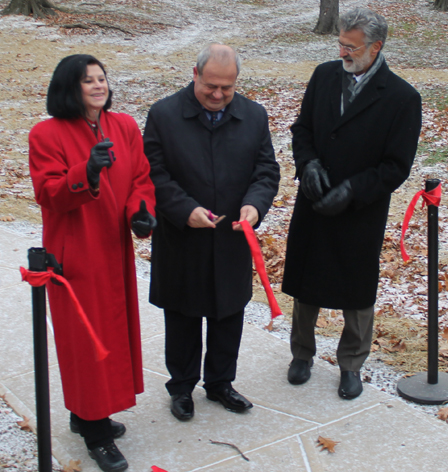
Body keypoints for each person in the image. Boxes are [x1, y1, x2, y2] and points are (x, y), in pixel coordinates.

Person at [282, 8, 422, 400]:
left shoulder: (402, 98)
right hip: (314, 200)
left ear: (375, 48)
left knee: (357, 292)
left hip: (360, 212)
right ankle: (301, 354)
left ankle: (351, 364)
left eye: (350, 46)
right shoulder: (324, 75)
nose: (342, 52)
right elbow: (302, 129)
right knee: (306, 283)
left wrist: (353, 191)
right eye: (340, 43)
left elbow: (396, 166)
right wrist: (307, 162)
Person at [29, 54, 157, 472]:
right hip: (75, 256)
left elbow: (140, 177)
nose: (99, 86)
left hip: (113, 250)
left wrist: (141, 212)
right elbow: (49, 193)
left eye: (102, 78)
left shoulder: (122, 126)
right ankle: (97, 433)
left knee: (112, 338)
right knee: (86, 345)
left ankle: (84, 414)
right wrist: (87, 171)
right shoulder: (46, 134)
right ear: (70, 87)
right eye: (88, 81)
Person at [143, 43, 279, 421]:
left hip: (232, 238)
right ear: (195, 75)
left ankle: (220, 383)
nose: (218, 95)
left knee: (228, 313)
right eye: (210, 87)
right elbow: (153, 173)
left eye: (228, 88)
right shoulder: (165, 114)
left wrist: (255, 203)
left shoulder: (253, 115)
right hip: (183, 237)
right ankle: (182, 386)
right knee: (184, 316)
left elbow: (266, 170)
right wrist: (184, 210)